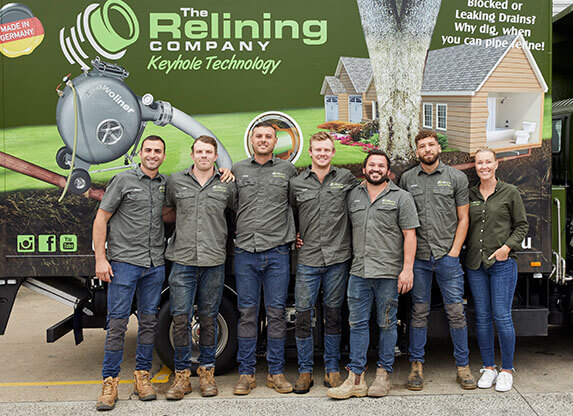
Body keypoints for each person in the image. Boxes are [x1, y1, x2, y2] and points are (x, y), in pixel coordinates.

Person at [327, 149, 419, 399]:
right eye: (372, 165)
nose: (376, 169)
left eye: (381, 165)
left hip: (389, 274)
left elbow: (410, 235)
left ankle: (383, 375)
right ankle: (356, 379)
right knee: (356, 324)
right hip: (359, 272)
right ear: (364, 169)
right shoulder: (353, 195)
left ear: (387, 171)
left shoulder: (401, 197)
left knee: (387, 324)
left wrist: (407, 269)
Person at [93, 135, 167, 411]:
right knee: (117, 325)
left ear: (163, 156)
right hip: (123, 263)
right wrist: (101, 258)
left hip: (154, 265)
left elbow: (167, 213)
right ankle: (109, 383)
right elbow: (101, 218)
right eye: (148, 150)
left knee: (148, 324)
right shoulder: (123, 181)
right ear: (140, 154)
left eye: (157, 151)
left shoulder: (164, 184)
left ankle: (142, 378)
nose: (152, 154)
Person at [400, 130, 476, 390]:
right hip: (419, 258)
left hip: (447, 256)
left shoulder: (456, 177)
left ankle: (463, 366)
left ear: (438, 148)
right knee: (419, 312)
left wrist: (455, 251)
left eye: (431, 145)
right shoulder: (407, 178)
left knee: (456, 312)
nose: (427, 149)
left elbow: (464, 218)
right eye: (422, 146)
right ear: (417, 151)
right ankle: (416, 366)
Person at [161, 136, 237, 399]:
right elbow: (167, 212)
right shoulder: (175, 181)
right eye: (199, 152)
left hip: (214, 261)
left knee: (208, 318)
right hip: (181, 260)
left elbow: (238, 211)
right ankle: (182, 378)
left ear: (215, 157)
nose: (204, 156)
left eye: (209, 152)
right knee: (180, 319)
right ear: (192, 155)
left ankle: (207, 374)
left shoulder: (226, 184)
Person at [231, 121, 298, 395]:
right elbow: (231, 204)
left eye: (268, 136)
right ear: (251, 140)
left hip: (277, 252)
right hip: (246, 252)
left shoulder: (288, 170)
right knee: (247, 314)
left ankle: (276, 372)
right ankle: (246, 374)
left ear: (275, 141)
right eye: (258, 136)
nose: (263, 140)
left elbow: (296, 205)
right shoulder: (236, 170)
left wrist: (298, 233)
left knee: (276, 314)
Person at [289, 132, 357, 394]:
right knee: (303, 316)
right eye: (318, 150)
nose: (322, 154)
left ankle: (331, 370)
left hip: (338, 258)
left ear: (333, 152)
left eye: (327, 150)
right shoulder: (297, 184)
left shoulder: (346, 180)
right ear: (310, 151)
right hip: (307, 259)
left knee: (333, 316)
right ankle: (305, 371)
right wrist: (294, 233)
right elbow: (289, 213)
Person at [465, 147, 528, 392]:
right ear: (475, 166)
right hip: (475, 265)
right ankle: (489, 367)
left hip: (502, 264)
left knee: (501, 317)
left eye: (488, 162)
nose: (484, 167)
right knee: (482, 318)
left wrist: (507, 247)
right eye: (480, 163)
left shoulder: (510, 192)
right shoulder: (470, 194)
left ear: (496, 164)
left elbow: (521, 225)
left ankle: (506, 369)